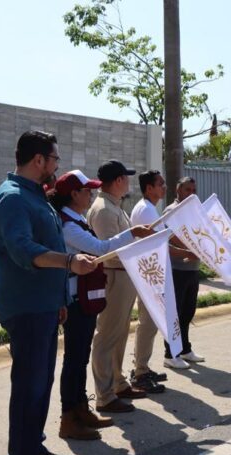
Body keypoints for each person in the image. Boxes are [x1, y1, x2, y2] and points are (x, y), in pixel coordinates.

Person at [0, 130, 97, 455]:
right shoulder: (13, 198)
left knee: (40, 385)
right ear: (39, 160)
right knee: (29, 387)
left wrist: (58, 299)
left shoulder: (35, 196)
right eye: (54, 159)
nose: (55, 165)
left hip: (45, 306)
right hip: (27, 309)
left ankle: (32, 451)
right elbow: (23, 250)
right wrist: (68, 262)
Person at [49, 170, 153, 440]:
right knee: (74, 360)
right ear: (73, 194)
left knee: (80, 357)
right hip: (75, 299)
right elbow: (100, 247)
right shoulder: (68, 225)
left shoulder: (77, 219)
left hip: (85, 296)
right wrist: (133, 233)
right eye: (86, 191)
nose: (91, 194)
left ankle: (80, 409)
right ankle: (70, 416)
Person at [88, 159, 147, 414]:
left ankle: (118, 382)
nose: (129, 182)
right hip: (114, 276)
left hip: (124, 275)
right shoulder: (103, 210)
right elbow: (107, 251)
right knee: (107, 336)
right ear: (119, 180)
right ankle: (104, 394)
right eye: (126, 178)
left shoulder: (114, 207)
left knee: (120, 333)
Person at [130, 170, 187, 382]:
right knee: (148, 323)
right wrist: (189, 253)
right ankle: (140, 371)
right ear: (149, 188)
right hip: (149, 273)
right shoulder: (146, 211)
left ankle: (141, 365)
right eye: (160, 184)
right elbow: (162, 243)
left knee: (149, 322)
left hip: (152, 271)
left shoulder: (150, 209)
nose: (164, 187)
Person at [163, 177, 205, 369]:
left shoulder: (195, 212)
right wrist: (196, 249)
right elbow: (174, 237)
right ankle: (171, 354)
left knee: (188, 312)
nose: (192, 193)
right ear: (178, 191)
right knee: (176, 314)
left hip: (192, 269)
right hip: (177, 269)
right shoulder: (172, 211)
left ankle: (185, 349)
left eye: (194, 190)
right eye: (187, 190)